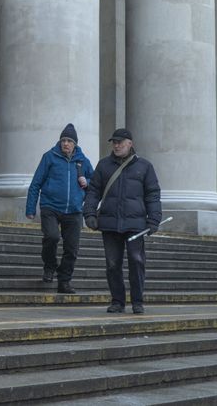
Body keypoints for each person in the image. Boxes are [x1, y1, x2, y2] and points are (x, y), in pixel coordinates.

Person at [82, 128, 162, 314]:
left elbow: (153, 195)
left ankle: (137, 301)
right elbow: (93, 192)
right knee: (112, 264)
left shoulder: (145, 166)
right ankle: (117, 301)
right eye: (114, 142)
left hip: (136, 224)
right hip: (110, 224)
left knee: (136, 261)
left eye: (120, 142)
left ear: (130, 144)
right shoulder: (103, 166)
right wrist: (90, 214)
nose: (116, 145)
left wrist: (154, 220)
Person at [25, 123, 94, 294]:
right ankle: (49, 266)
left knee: (72, 248)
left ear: (75, 144)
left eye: (69, 141)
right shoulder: (50, 157)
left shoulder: (83, 161)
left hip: (74, 210)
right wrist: (30, 208)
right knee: (52, 237)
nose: (65, 144)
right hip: (50, 206)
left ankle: (64, 281)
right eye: (63, 140)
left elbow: (96, 184)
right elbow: (35, 184)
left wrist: (88, 183)